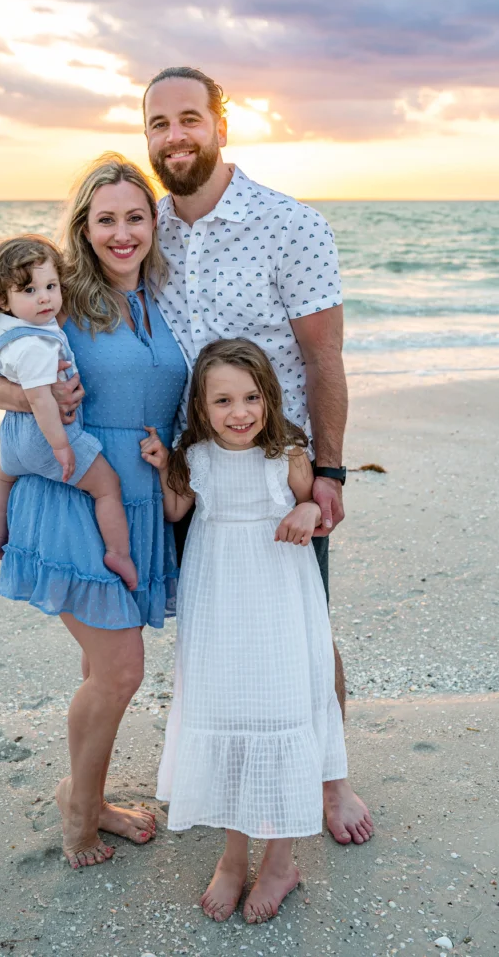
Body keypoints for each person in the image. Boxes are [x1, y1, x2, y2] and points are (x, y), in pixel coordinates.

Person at [143, 65, 374, 847]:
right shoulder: (147, 233)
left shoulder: (291, 224)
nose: (174, 136)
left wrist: (331, 471)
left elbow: (324, 356)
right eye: (158, 124)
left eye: (188, 119)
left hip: (281, 472)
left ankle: (329, 780)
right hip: (196, 473)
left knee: (304, 629)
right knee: (218, 630)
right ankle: (234, 777)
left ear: (220, 124)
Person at [0, 155, 188, 868]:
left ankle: (85, 796)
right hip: (73, 496)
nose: (123, 233)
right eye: (106, 219)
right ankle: (81, 812)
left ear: (155, 223)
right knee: (119, 671)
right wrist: (34, 398)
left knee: (111, 667)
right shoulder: (60, 300)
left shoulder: (167, 297)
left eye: (136, 216)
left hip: (143, 498)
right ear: (83, 228)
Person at [140, 338, 348, 923]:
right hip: (219, 598)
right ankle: (233, 858)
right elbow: (177, 512)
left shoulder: (288, 451)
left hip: (279, 596)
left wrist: (307, 512)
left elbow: (312, 508)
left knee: (279, 709)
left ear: (268, 396)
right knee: (227, 709)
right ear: (201, 408)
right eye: (223, 400)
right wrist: (162, 467)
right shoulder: (196, 457)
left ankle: (280, 861)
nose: (240, 412)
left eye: (252, 397)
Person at [0, 233, 136, 592]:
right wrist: (61, 445)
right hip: (48, 435)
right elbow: (42, 400)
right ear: (3, 298)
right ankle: (118, 552)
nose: (44, 297)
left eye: (50, 286)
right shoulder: (38, 344)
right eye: (28, 290)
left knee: (3, 480)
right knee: (106, 488)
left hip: (13, 437)